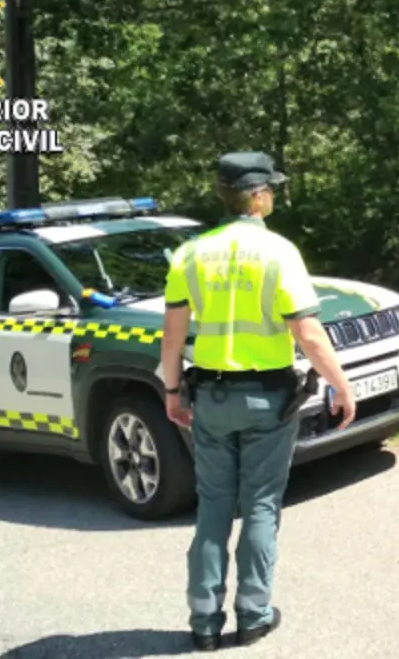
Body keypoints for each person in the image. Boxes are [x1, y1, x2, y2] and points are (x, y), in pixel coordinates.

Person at [160, 151, 357, 651]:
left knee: (213, 509)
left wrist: (171, 391)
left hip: (209, 398)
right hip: (267, 401)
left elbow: (173, 336)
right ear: (259, 196)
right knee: (261, 507)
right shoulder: (278, 253)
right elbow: (309, 334)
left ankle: (203, 622)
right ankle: (253, 614)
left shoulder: (190, 253)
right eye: (272, 189)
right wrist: (341, 384)